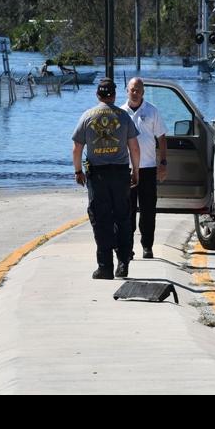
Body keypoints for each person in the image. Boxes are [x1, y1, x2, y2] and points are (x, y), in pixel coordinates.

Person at [71, 78, 141, 279]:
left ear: (98, 95)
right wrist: (135, 170)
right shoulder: (124, 116)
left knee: (101, 219)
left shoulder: (87, 116)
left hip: (98, 175)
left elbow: (77, 148)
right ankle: (123, 262)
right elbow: (134, 147)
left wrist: (78, 172)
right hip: (120, 173)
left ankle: (105, 266)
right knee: (122, 217)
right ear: (114, 95)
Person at [121, 77, 169, 259]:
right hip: (126, 169)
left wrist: (163, 163)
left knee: (148, 211)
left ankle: (147, 246)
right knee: (127, 211)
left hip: (148, 168)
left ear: (143, 92)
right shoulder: (120, 112)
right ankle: (128, 247)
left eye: (138, 90)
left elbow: (162, 138)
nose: (135, 93)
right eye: (132, 89)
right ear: (127, 90)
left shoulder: (152, 111)